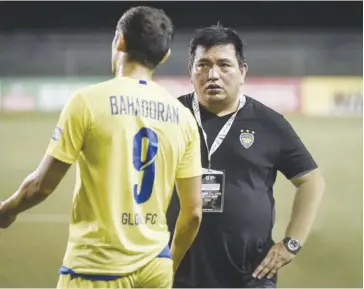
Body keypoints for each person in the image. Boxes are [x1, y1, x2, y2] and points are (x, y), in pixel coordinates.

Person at [0, 6, 203, 289]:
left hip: (96, 267)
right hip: (156, 265)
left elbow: (41, 186)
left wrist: (7, 210)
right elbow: (193, 211)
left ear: (120, 40)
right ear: (164, 55)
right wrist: (168, 262)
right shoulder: (183, 117)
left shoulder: (87, 101)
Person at [167, 24, 325, 288]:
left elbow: (311, 181)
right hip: (177, 271)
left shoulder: (269, 123)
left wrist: (291, 243)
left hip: (250, 275)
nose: (212, 75)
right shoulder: (169, 116)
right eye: (203, 65)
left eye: (224, 65)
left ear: (242, 72)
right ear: (190, 71)